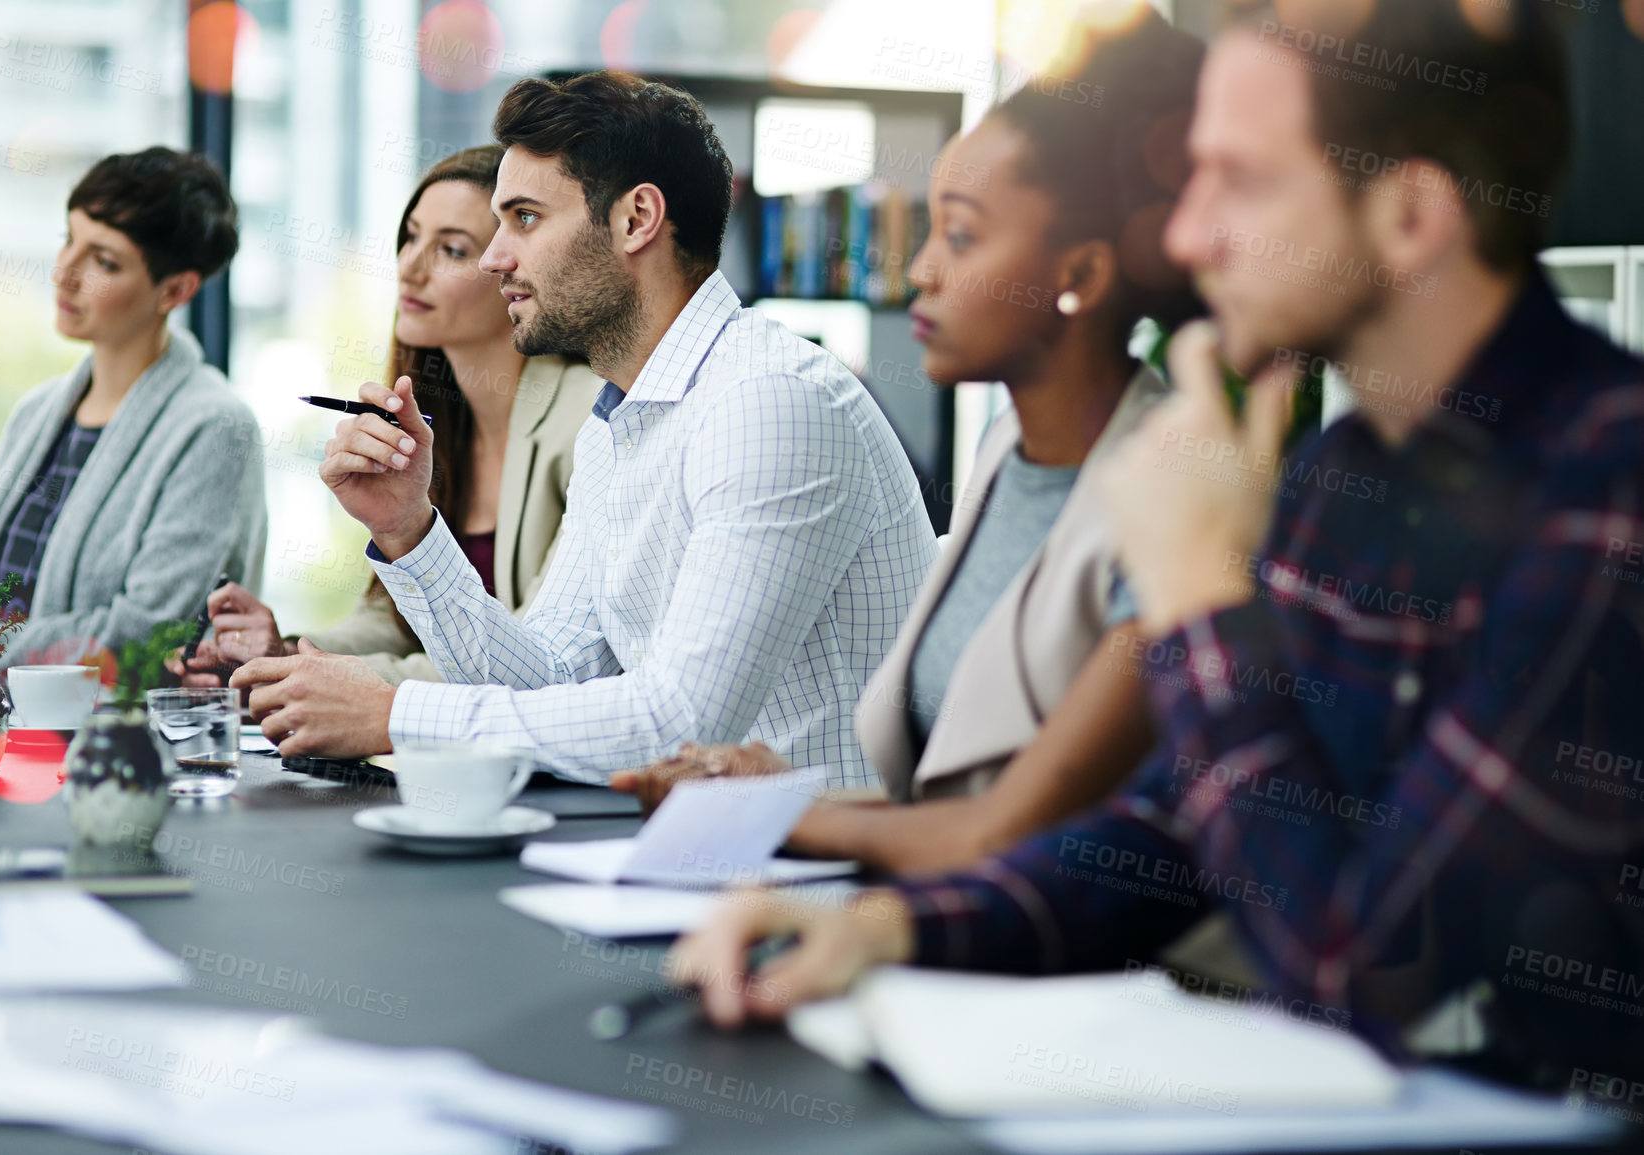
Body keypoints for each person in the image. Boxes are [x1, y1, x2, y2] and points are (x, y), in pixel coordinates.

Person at [669, 0, 1644, 1088]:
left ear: (1411, 214)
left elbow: (1362, 972)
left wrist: (1200, 603)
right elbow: (1167, 840)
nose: (1186, 238)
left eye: (1242, 181)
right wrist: (894, 930)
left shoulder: (1607, 493)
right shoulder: (1346, 479)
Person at [608, 10, 1205, 876]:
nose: (920, 269)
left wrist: (788, 817)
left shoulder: (1173, 495)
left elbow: (1006, 830)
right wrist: (773, 792)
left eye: (959, 235)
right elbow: (950, 801)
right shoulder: (1009, 450)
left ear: (1078, 275)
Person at [230, 72, 939, 784]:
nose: (493, 257)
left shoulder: (767, 401)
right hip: (703, 853)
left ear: (636, 219)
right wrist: (409, 528)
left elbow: (679, 722)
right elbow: (552, 673)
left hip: (816, 879)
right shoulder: (618, 419)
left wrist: (394, 713)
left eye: (525, 218)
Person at [178, 146, 599, 686]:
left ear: (510, 266)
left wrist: (317, 674)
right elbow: (393, 621)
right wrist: (285, 652)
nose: (408, 266)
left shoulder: (585, 419)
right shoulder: (436, 416)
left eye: (450, 248)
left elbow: (530, 660)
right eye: (411, 236)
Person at [0, 147, 264, 667]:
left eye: (104, 261)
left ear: (175, 289)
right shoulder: (35, 413)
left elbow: (143, 635)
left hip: (120, 740)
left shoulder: (213, 427)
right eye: (69, 239)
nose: (65, 272)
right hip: (2, 730)